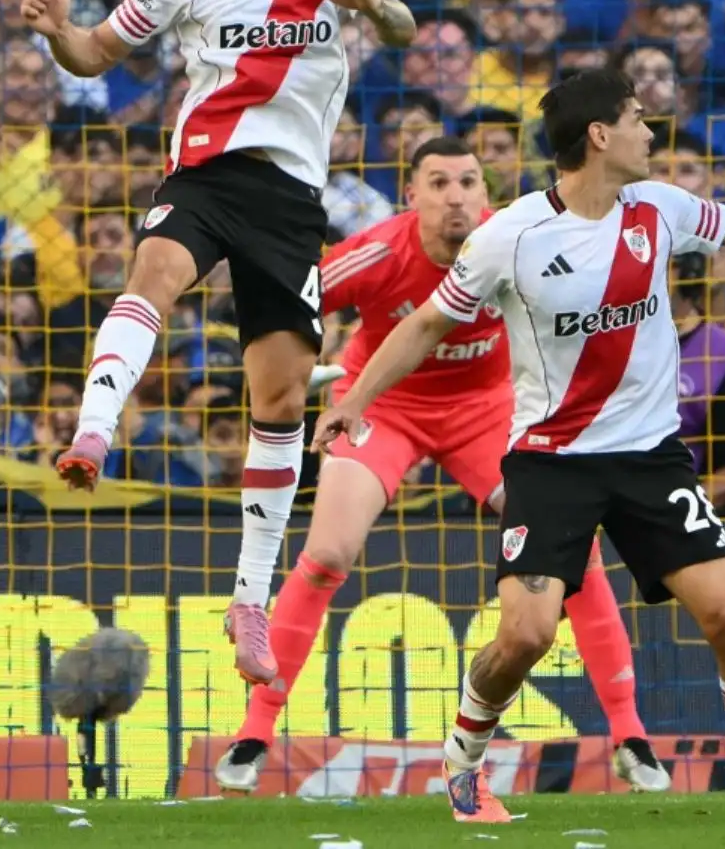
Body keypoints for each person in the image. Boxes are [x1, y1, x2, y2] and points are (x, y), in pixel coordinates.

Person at [310, 69, 725, 824]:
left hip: (651, 458)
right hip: (550, 461)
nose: (650, 131)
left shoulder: (660, 208)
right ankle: (465, 761)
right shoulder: (510, 236)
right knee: (527, 635)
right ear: (600, 136)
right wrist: (354, 402)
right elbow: (425, 326)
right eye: (637, 118)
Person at [18, 0, 418, 686]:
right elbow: (93, 55)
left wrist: (370, 5)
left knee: (278, 400)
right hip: (205, 174)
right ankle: (93, 431)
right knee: (154, 272)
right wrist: (58, 28)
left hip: (289, 201)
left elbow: (404, 30)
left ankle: (248, 600)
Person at [213, 137, 672, 795]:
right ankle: (254, 733)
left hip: (489, 413)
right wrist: (282, 354)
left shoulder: (518, 240)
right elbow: (289, 298)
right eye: (438, 183)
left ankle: (630, 735)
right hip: (382, 405)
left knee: (575, 553)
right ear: (413, 197)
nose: (455, 195)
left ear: (485, 195)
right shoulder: (378, 252)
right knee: (327, 554)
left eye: (467, 182)